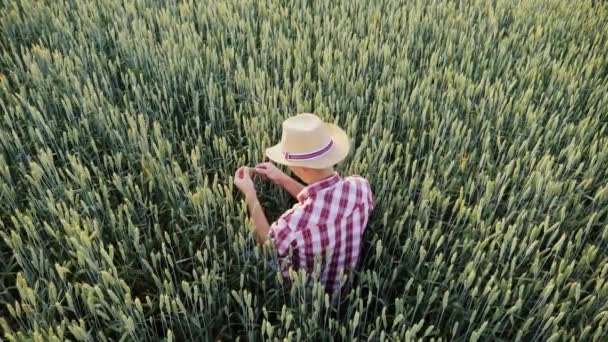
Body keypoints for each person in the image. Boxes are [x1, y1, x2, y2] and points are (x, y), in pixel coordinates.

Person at [233, 113, 374, 297]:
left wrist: (250, 194)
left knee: (246, 255)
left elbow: (268, 245)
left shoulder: (293, 223)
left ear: (301, 168)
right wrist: (283, 179)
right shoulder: (361, 187)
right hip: (347, 286)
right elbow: (323, 202)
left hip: (307, 298)